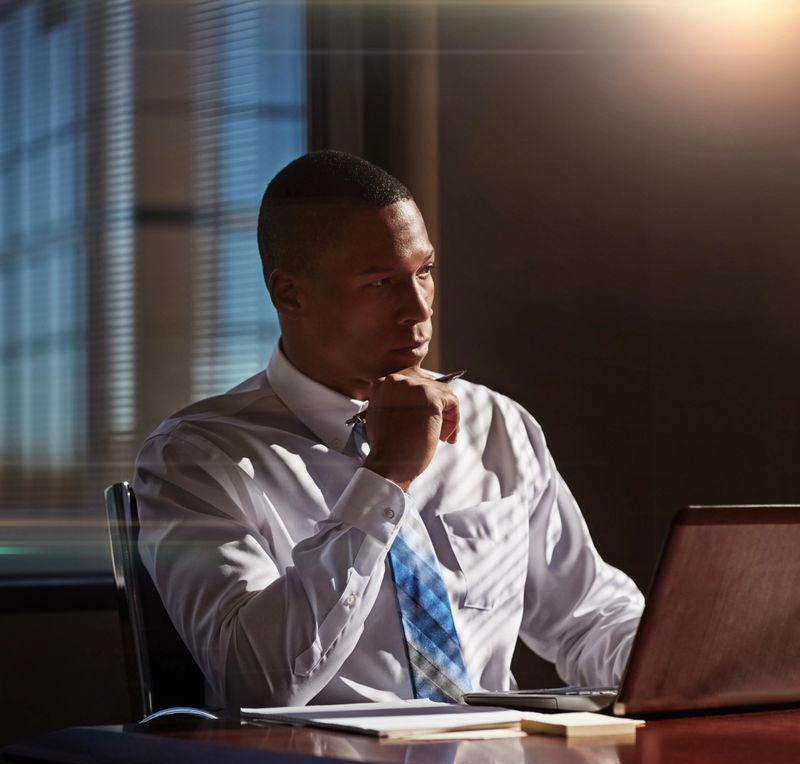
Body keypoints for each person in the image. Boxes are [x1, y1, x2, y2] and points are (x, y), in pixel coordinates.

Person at [133, 150, 643, 710]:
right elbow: (256, 682)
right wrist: (386, 477)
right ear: (290, 294)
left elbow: (587, 617)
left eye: (424, 271)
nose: (419, 309)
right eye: (380, 283)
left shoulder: (495, 423)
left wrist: (689, 664)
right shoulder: (198, 456)